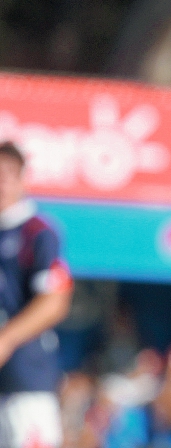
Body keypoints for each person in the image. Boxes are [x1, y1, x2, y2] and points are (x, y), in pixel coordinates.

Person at [0, 141, 74, 448]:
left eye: (8, 174)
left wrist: (6, 338)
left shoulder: (38, 231)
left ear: (22, 179)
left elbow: (55, 301)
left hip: (25, 380)